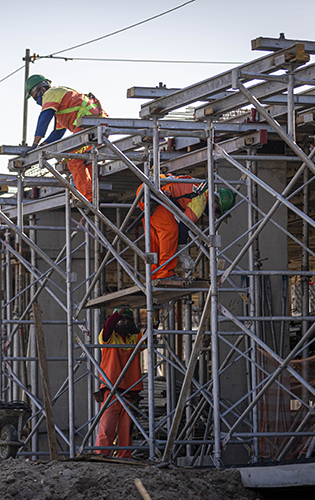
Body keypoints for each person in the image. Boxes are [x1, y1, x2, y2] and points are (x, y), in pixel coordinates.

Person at [25, 74, 108, 202]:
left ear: (42, 89)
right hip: (98, 123)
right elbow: (57, 133)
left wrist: (35, 144)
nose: (36, 101)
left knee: (73, 159)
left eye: (35, 95)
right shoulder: (62, 104)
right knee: (88, 159)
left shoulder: (50, 93)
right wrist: (43, 146)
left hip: (89, 123)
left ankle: (88, 199)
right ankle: (93, 195)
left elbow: (44, 118)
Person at [136, 174, 236, 279]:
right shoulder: (201, 200)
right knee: (170, 231)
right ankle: (165, 273)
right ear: (216, 203)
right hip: (154, 195)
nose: (215, 215)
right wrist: (185, 257)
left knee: (158, 238)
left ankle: (155, 274)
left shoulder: (200, 186)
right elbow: (184, 227)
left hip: (149, 192)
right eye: (218, 211)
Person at [95, 308, 144, 459]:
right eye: (121, 320)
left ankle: (124, 457)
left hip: (130, 391)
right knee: (107, 427)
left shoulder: (134, 339)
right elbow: (108, 327)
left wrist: (154, 317)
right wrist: (117, 314)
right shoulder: (108, 337)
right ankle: (102, 456)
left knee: (126, 429)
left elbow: (149, 335)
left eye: (127, 321)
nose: (123, 323)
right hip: (111, 390)